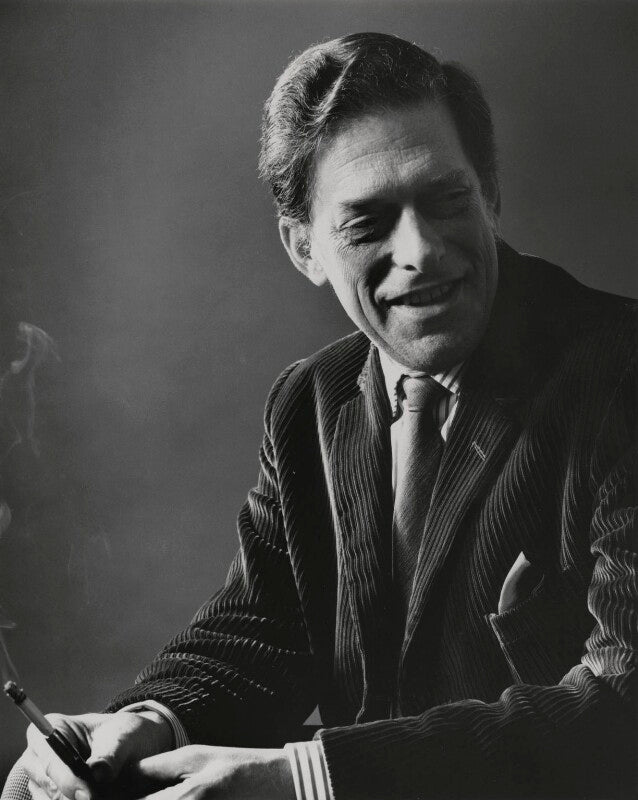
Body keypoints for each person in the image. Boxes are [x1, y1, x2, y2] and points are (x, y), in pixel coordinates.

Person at [11, 32, 636, 800]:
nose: (422, 250)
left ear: (491, 194)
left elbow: (623, 707)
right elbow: (265, 626)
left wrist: (308, 777)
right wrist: (145, 721)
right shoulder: (310, 401)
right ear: (303, 248)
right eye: (368, 223)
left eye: (447, 200)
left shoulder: (623, 375)